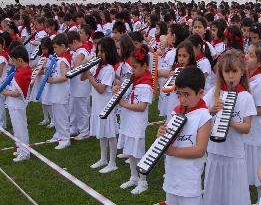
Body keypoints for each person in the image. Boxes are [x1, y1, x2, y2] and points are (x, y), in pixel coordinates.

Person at [203, 49, 257, 205]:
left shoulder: (246, 96)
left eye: (234, 71)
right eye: (227, 72)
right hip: (215, 151)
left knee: (234, 195)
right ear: (221, 73)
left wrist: (230, 121)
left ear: (242, 72)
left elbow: (247, 127)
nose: (231, 76)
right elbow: (201, 114)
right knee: (214, 192)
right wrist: (212, 111)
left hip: (234, 153)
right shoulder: (215, 92)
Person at [158, 67, 211, 205]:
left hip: (189, 182)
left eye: (186, 94)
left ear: (200, 93)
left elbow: (200, 150)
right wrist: (161, 134)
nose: (182, 99)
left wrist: (173, 151)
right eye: (179, 94)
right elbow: (168, 139)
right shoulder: (176, 112)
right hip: (171, 177)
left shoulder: (204, 116)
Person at [117, 45, 153, 194]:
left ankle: (143, 181)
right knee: (130, 152)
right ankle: (133, 177)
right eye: (131, 66)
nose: (132, 69)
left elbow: (142, 106)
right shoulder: (134, 80)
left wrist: (125, 104)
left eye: (135, 66)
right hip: (127, 120)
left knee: (138, 153)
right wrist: (117, 89)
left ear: (145, 66)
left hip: (137, 123)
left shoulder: (146, 84)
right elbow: (126, 95)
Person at [81, 37, 119, 174]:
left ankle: (112, 162)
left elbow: (101, 89)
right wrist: (86, 66)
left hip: (106, 105)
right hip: (97, 104)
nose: (99, 54)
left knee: (110, 133)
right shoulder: (97, 66)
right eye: (98, 51)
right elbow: (82, 77)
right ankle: (103, 158)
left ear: (109, 52)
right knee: (102, 132)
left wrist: (90, 76)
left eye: (102, 51)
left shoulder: (108, 69)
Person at [244, 40, 261, 202]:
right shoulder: (250, 76)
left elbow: (260, 109)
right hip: (249, 134)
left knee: (259, 176)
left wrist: (241, 108)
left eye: (251, 56)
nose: (246, 57)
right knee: (249, 175)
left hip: (257, 136)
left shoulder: (260, 81)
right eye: (247, 53)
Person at [2, 45, 32, 162]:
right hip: (13, 105)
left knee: (21, 129)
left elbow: (16, 93)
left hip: (18, 105)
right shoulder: (19, 70)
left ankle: (25, 153)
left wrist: (4, 91)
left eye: (13, 60)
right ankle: (20, 149)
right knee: (16, 129)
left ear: (20, 60)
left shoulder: (23, 73)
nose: (12, 63)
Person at [45, 34, 72, 150]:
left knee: (61, 116)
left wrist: (52, 80)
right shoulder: (58, 58)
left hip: (61, 92)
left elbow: (65, 76)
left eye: (56, 48)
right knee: (56, 115)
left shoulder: (63, 60)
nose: (54, 50)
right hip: (56, 91)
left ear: (63, 46)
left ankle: (65, 138)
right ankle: (58, 134)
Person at [67, 30, 91, 140]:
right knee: (74, 107)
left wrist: (76, 65)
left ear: (75, 41)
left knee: (82, 109)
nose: (69, 48)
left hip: (81, 85)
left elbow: (76, 66)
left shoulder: (82, 50)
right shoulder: (78, 51)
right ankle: (75, 127)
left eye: (70, 45)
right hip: (76, 85)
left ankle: (85, 131)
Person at [0, 36, 9, 129]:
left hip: (1, 83)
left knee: (0, 105)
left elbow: (0, 73)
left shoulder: (2, 57)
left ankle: (2, 125)